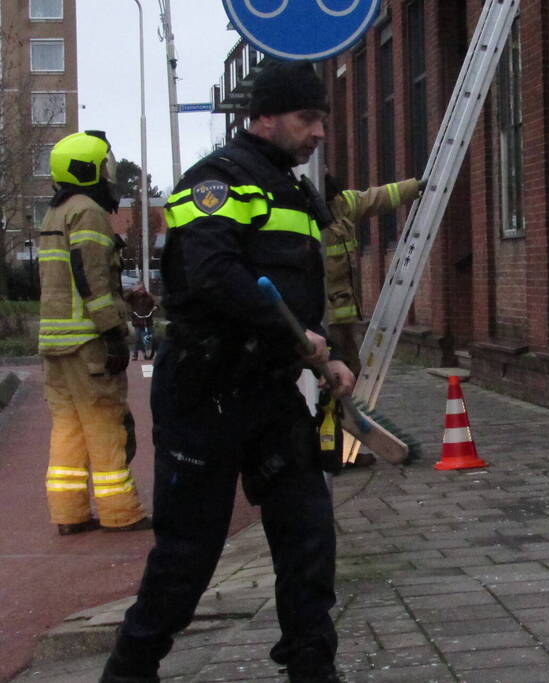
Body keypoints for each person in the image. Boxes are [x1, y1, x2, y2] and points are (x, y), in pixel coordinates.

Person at [100, 61, 355, 683]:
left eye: (322, 117)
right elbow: (215, 276)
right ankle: (131, 669)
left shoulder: (291, 189)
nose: (319, 131)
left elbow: (301, 294)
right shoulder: (214, 183)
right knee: (189, 552)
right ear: (263, 116)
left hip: (269, 390)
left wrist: (327, 353)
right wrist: (295, 336)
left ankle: (311, 666)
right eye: (307, 118)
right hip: (205, 390)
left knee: (307, 532)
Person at [37, 131, 151, 536]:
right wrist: (113, 333)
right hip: (89, 342)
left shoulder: (55, 213)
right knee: (106, 424)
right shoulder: (88, 212)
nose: (109, 175)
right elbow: (91, 277)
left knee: (67, 428)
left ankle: (68, 512)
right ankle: (121, 512)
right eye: (105, 167)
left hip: (55, 342)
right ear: (88, 170)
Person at [319, 173, 422, 469]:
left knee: (348, 378)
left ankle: (338, 450)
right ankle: (332, 451)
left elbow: (378, 196)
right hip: (323, 321)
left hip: (342, 319)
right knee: (334, 384)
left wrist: (416, 187)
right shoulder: (305, 216)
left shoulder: (343, 204)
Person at [124, 284, 158, 360]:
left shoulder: (149, 297)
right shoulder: (133, 297)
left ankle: (148, 353)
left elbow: (155, 303)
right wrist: (132, 291)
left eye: (142, 289)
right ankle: (135, 354)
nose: (141, 291)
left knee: (148, 338)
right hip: (137, 321)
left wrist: (156, 307)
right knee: (137, 339)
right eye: (139, 289)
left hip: (147, 320)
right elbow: (126, 298)